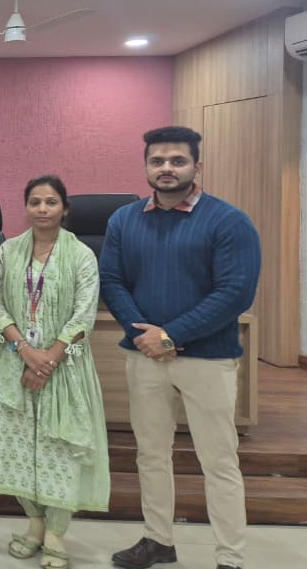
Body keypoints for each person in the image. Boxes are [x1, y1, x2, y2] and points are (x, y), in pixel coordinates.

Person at [101, 126, 260, 569]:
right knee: (151, 454)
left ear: (196, 166)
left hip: (208, 359)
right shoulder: (123, 220)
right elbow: (111, 280)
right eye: (157, 161)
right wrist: (144, 336)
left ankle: (230, 557)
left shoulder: (229, 221)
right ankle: (158, 540)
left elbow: (235, 293)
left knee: (219, 460)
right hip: (144, 357)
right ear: (146, 167)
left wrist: (170, 335)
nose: (166, 168)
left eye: (177, 160)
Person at [0, 176, 109, 569]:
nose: (42, 209)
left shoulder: (81, 255)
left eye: (51, 202)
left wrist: (48, 359)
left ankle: (56, 533)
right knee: (19, 447)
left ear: (65, 208)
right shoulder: (8, 252)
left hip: (64, 367)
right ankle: (34, 524)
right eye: (35, 201)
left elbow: (85, 313)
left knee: (60, 449)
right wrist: (25, 351)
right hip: (15, 364)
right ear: (26, 207)